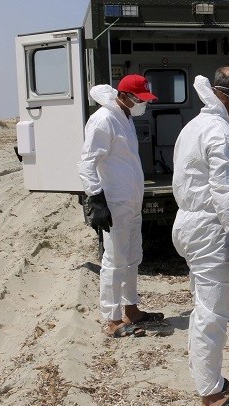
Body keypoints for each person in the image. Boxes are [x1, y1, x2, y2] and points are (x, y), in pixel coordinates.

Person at [171, 67, 229, 406]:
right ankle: (210, 395)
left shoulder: (193, 126)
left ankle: (211, 379)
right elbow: (223, 190)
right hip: (210, 228)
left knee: (204, 308)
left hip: (188, 221)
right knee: (212, 312)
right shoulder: (221, 133)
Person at [77, 74, 163, 338]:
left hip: (131, 202)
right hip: (114, 203)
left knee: (132, 258)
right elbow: (87, 162)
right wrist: (96, 199)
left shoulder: (125, 117)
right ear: (125, 96)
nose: (143, 105)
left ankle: (131, 308)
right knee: (114, 262)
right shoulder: (103, 120)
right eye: (140, 99)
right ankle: (112, 319)